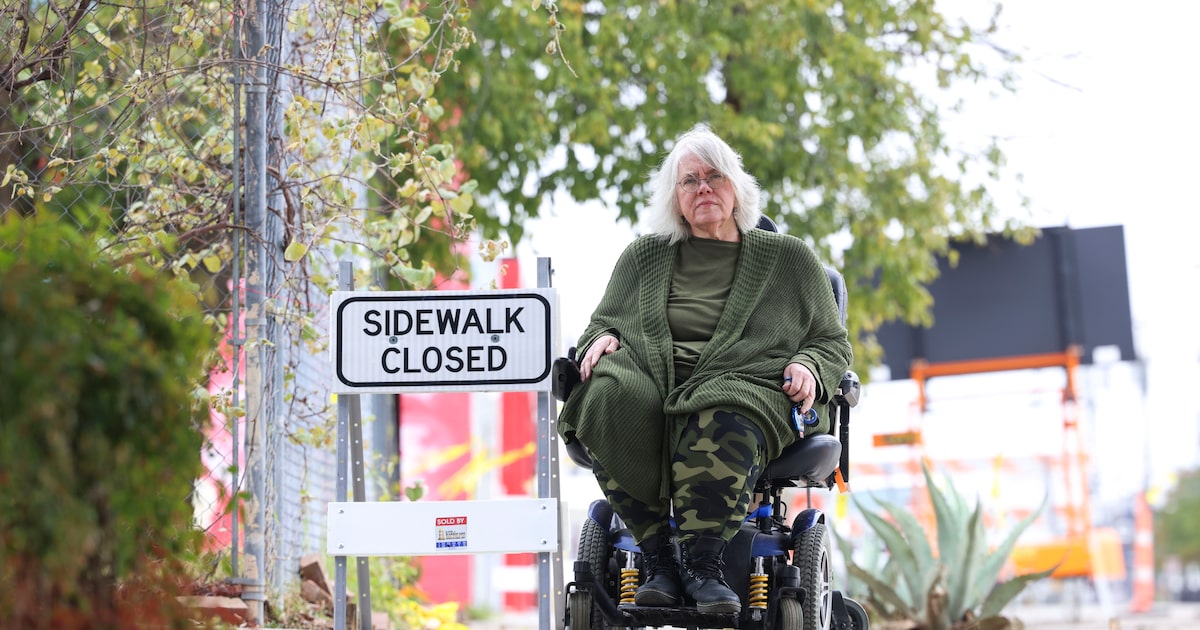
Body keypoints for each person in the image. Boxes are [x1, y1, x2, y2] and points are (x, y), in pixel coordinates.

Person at [557, 123, 854, 614]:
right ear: (675, 197)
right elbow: (603, 323)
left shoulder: (790, 258)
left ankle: (704, 564)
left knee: (717, 410)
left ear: (735, 186)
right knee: (605, 396)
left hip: (749, 383)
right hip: (656, 384)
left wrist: (809, 364)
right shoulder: (643, 257)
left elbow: (831, 342)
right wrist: (602, 339)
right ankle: (657, 560)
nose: (703, 189)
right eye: (689, 180)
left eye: (714, 176)